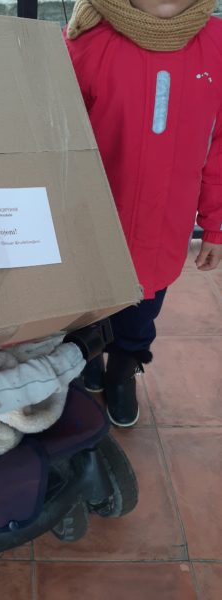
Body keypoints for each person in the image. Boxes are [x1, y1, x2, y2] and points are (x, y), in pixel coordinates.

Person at [64, 0, 222, 427]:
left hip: (165, 224)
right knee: (88, 302)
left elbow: (220, 145)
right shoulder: (85, 42)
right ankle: (86, 357)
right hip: (94, 217)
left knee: (142, 308)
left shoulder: (217, 45)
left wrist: (214, 224)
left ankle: (123, 368)